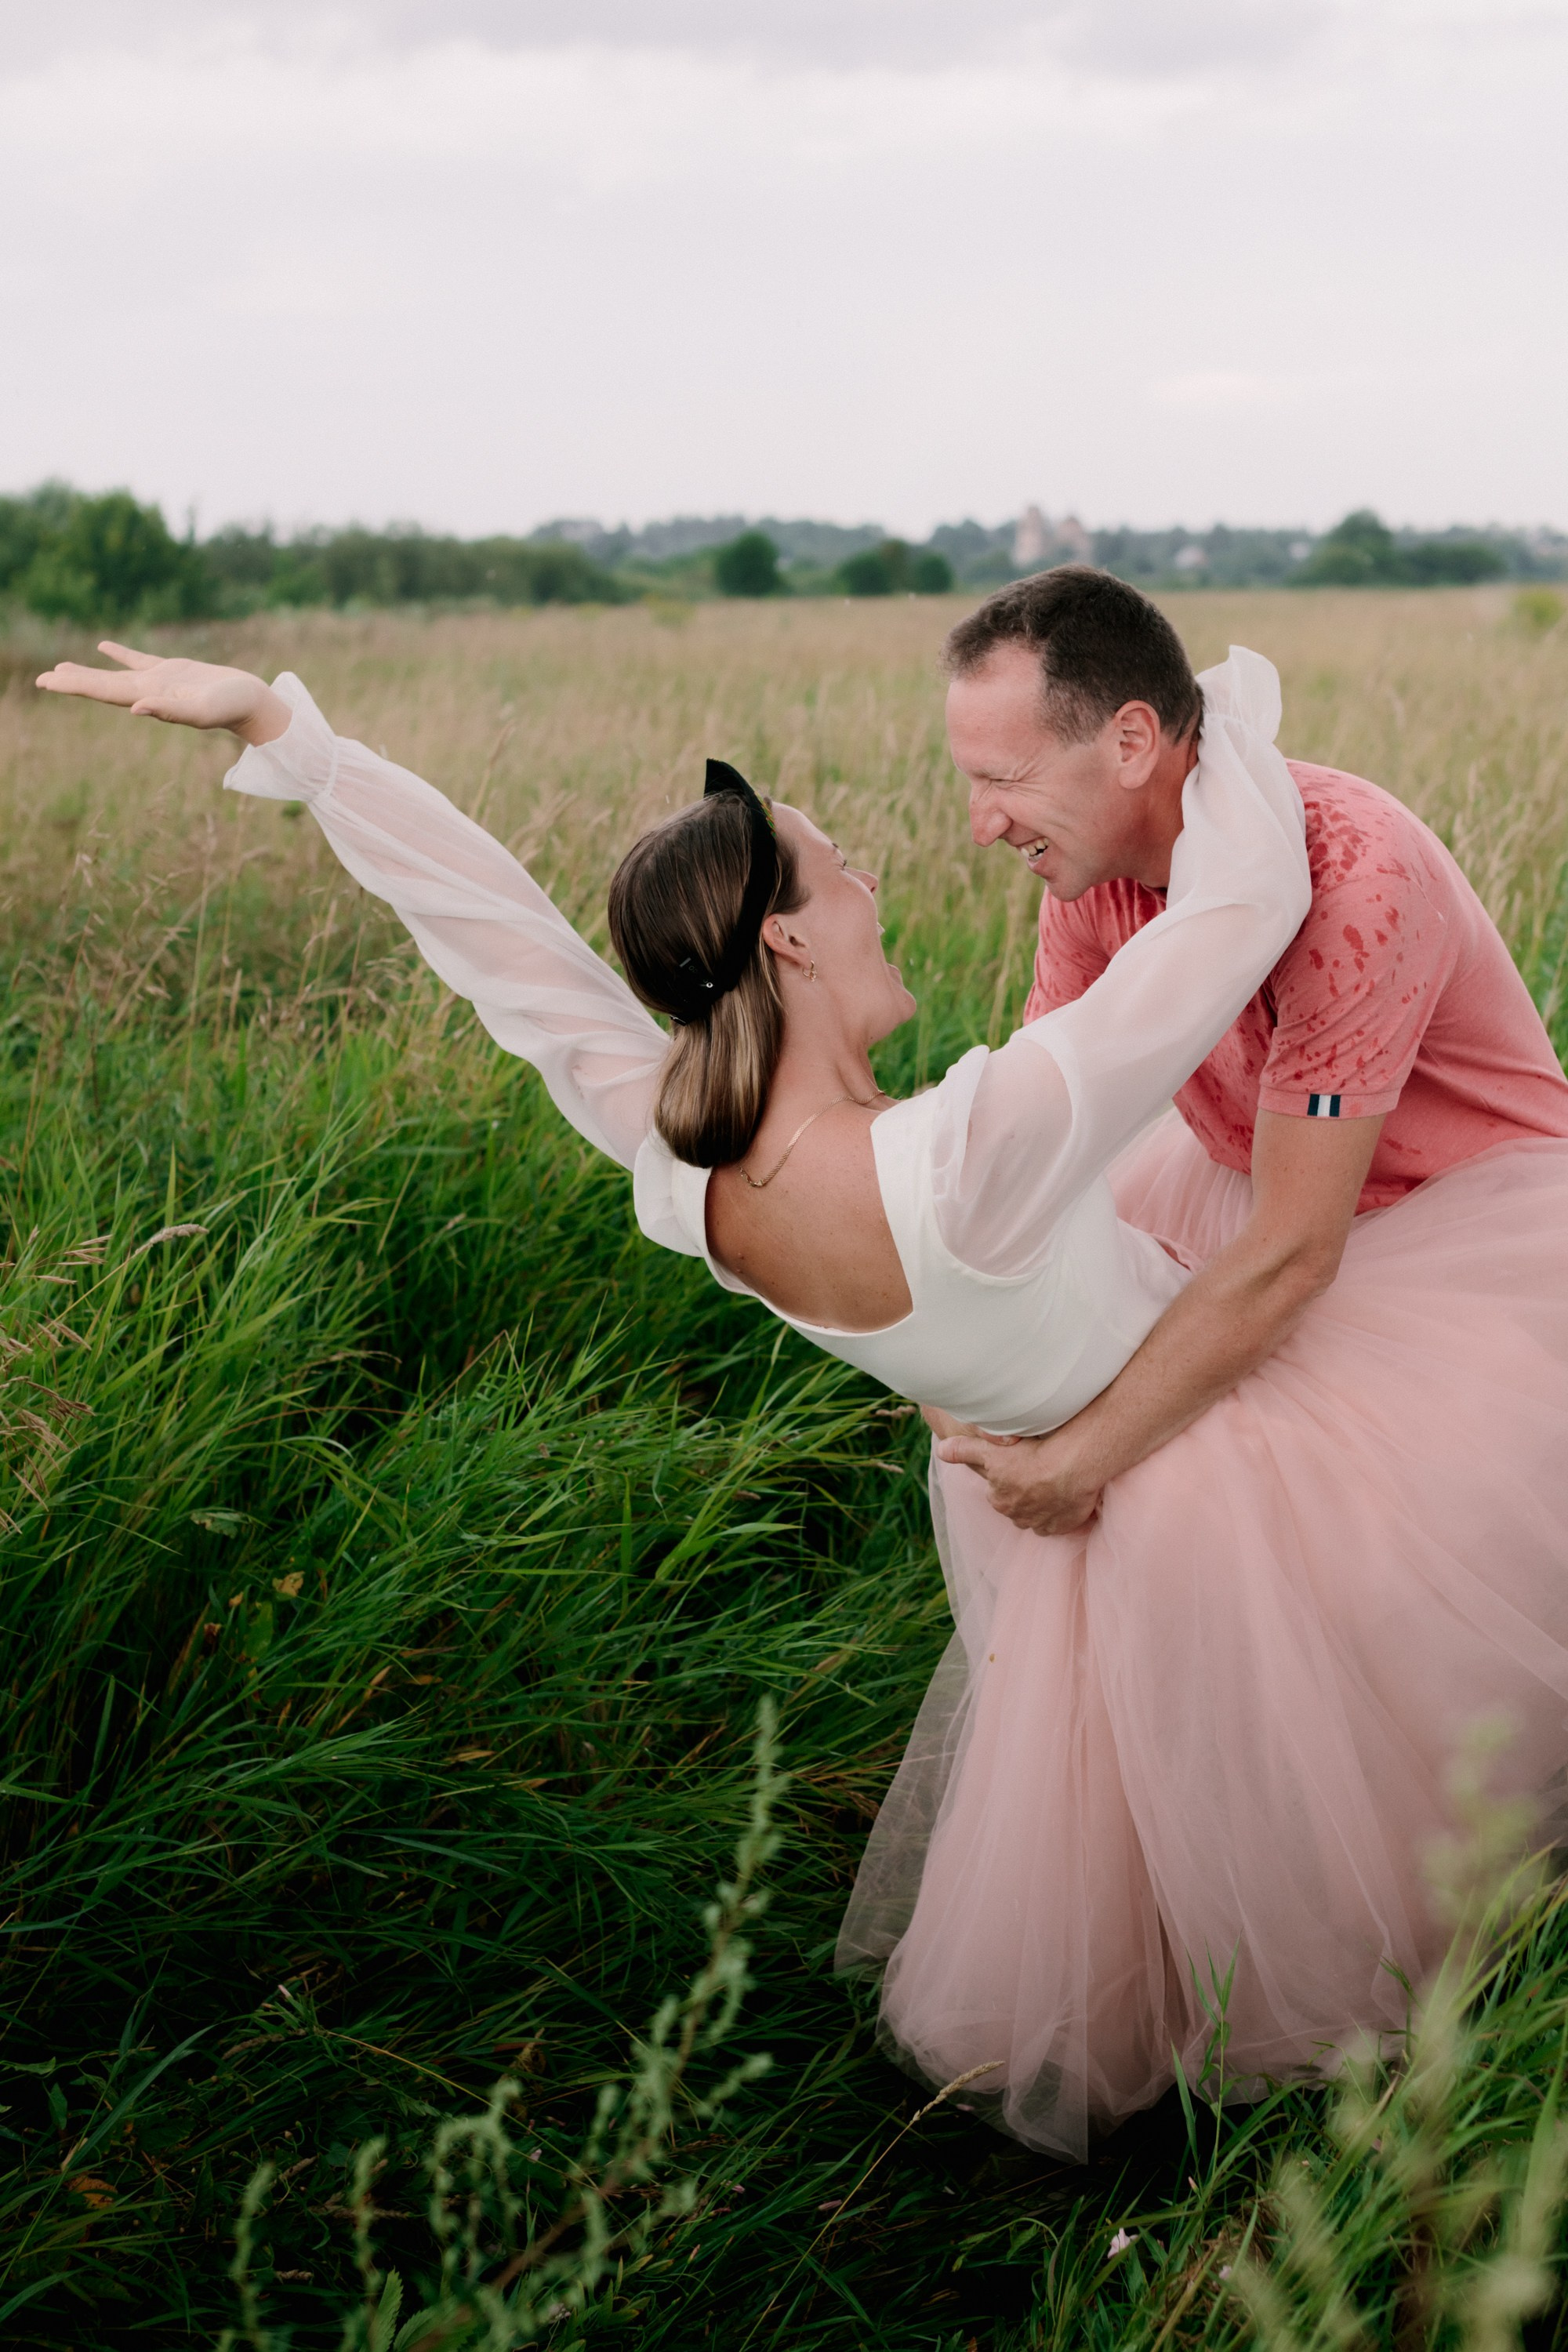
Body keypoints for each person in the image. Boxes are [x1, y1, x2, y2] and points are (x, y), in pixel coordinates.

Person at [35, 641, 1568, 2162]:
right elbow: (1228, 920)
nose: (880, 893)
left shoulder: (675, 1168)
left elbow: (496, 936)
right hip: (1218, 1439)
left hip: (1045, 1487)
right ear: (786, 945)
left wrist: (293, 739)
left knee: (1155, 1790)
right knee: (1372, 1754)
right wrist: (1217, 722)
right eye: (843, 881)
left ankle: (1189, 2066)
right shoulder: (970, 1155)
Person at [938, 567, 1568, 1537]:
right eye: (970, 781)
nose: (982, 826)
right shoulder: (1086, 876)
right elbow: (1034, 1145)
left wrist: (1082, 1457)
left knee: (1198, 1504)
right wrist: (951, 1358)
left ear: (1132, 742)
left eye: (1005, 780)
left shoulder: (1353, 878)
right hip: (1252, 1181)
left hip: (1453, 1229)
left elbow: (1292, 1252)